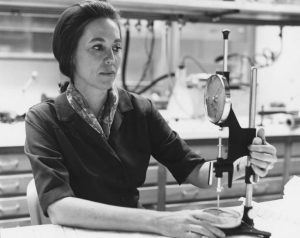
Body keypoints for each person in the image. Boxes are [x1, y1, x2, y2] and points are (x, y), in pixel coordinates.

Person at [24, 1, 277, 238]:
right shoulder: (43, 119)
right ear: (69, 56)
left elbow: (193, 170)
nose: (111, 58)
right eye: (97, 47)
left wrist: (243, 165)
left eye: (116, 47)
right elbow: (60, 207)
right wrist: (159, 221)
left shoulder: (140, 110)